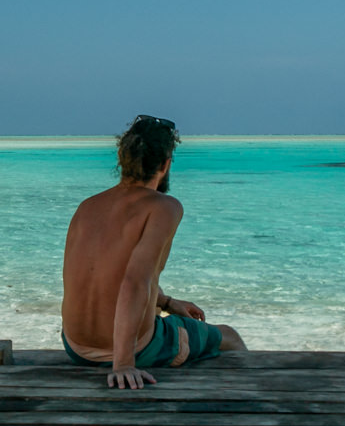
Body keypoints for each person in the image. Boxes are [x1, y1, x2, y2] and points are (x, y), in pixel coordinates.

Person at [61, 114, 247, 389]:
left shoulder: (87, 207)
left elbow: (102, 275)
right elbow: (135, 280)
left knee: (163, 316)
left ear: (123, 159)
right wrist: (123, 363)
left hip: (75, 346)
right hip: (133, 350)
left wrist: (167, 303)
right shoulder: (163, 207)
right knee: (229, 336)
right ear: (165, 163)